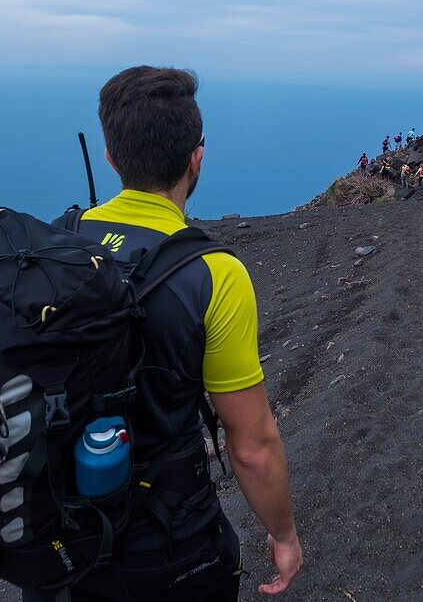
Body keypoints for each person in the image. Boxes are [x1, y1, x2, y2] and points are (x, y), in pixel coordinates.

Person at [26, 67, 302, 601]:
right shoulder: (216, 274)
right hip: (168, 549)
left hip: (55, 546)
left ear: (110, 157)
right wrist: (284, 534)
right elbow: (251, 446)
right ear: (197, 157)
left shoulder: (58, 242)